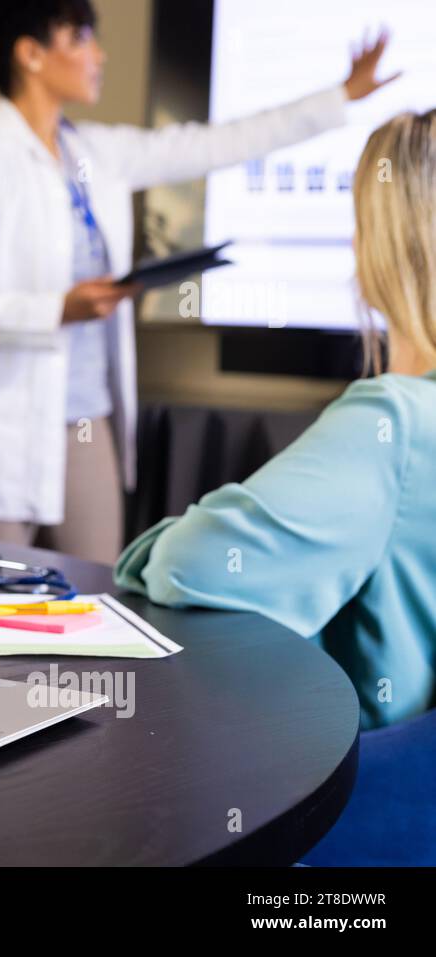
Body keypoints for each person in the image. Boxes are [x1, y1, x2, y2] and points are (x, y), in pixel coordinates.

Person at [0, 0, 397, 562]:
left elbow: (215, 143)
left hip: (86, 424)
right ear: (30, 54)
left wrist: (338, 97)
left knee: (94, 604)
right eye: (81, 39)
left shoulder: (98, 154)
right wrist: (58, 309)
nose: (99, 56)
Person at [116, 111, 436, 730]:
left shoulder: (396, 423)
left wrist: (146, 550)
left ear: (379, 250)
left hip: (363, 791)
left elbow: (193, 564)